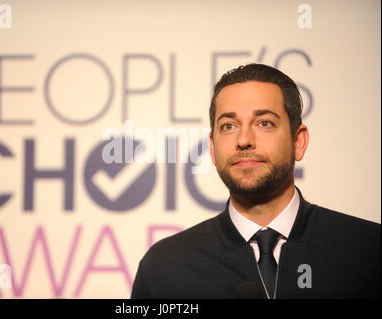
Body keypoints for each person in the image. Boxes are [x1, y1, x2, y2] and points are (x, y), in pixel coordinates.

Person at [130, 63, 380, 299]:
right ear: (213, 149)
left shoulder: (368, 252)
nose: (244, 139)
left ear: (298, 142)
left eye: (264, 123)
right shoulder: (164, 268)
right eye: (229, 126)